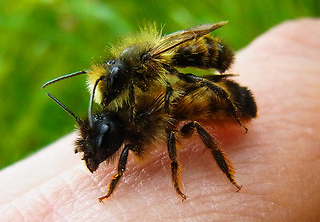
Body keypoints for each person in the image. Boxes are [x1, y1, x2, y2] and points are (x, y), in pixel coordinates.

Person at [1, 18, 319, 221]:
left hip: (217, 95)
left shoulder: (146, 95)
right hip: (205, 92)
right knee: (184, 116)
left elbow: (166, 117)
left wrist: (170, 175)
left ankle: (227, 170)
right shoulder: (135, 97)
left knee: (187, 123)